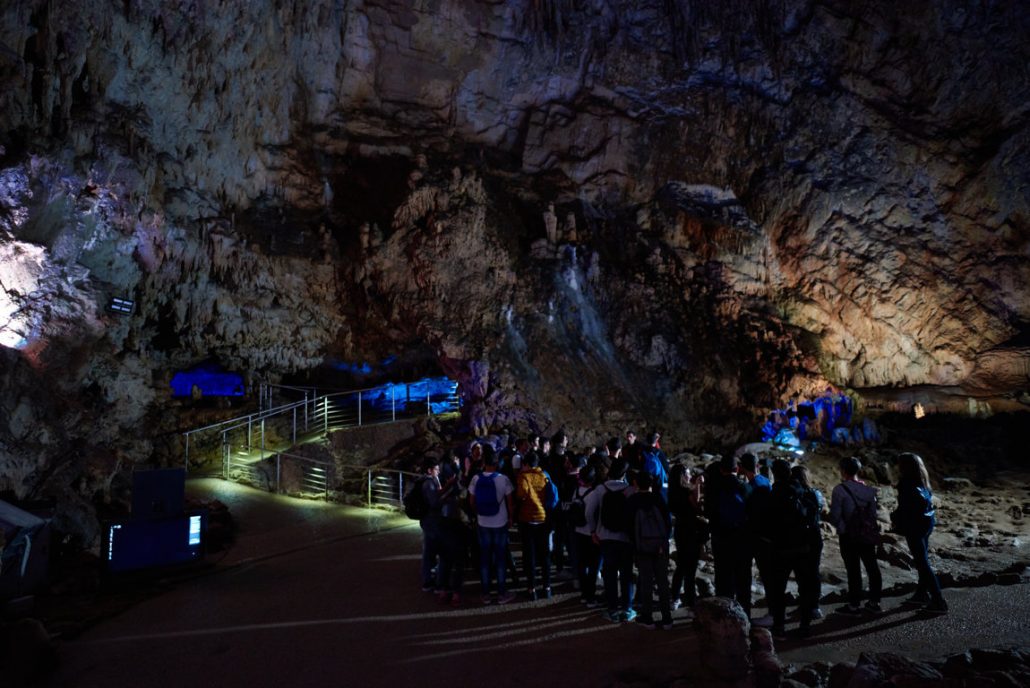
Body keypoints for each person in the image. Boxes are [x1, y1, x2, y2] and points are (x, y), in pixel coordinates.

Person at [763, 459, 821, 638]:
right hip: (803, 547)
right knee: (804, 587)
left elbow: (769, 523)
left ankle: (779, 627)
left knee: (778, 589)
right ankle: (804, 626)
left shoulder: (774, 493)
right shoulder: (805, 491)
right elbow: (813, 519)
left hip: (781, 549)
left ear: (774, 473)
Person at [892, 452, 947, 614]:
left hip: (914, 525)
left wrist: (895, 518)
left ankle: (938, 601)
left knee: (922, 563)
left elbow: (905, 507)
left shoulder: (906, 483)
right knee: (923, 559)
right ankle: (921, 594)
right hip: (927, 522)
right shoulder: (923, 480)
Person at [828, 457, 882, 615]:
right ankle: (874, 602)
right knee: (872, 567)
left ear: (843, 471)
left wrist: (839, 525)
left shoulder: (839, 490)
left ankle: (854, 605)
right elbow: (873, 514)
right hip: (866, 533)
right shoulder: (869, 490)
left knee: (853, 570)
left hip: (848, 535)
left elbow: (835, 516)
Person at [585, 458, 636, 622]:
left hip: (605, 537)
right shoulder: (630, 491)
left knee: (610, 574)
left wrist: (593, 531)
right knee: (627, 574)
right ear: (624, 473)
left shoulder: (601, 489)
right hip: (626, 538)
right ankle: (627, 609)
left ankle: (612, 609)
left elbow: (588, 511)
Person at [468, 446, 516, 605]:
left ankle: (486, 594)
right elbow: (510, 504)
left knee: (485, 558)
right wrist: (511, 518)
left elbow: (471, 502)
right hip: (500, 523)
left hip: (483, 523)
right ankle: (502, 594)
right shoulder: (504, 479)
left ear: (484, 463)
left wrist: (478, 513)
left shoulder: (476, 478)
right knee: (500, 558)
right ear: (497, 464)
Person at [628, 471, 674, 629]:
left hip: (642, 547)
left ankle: (647, 618)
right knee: (662, 582)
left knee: (646, 582)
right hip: (660, 546)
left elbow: (628, 527)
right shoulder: (659, 498)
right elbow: (668, 523)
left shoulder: (632, 501)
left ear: (636, 483)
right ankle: (667, 618)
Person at [669, 464, 707, 613]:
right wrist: (697, 485)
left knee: (681, 565)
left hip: (680, 529)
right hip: (691, 530)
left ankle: (675, 597)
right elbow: (696, 506)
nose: (690, 475)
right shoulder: (686, 491)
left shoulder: (673, 492)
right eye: (688, 473)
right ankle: (690, 601)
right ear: (682, 475)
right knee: (690, 568)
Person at [515, 451, 553, 600]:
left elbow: (521, 494)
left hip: (528, 519)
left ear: (525, 464)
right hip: (543, 519)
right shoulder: (545, 476)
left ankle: (532, 589)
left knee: (530, 556)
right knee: (545, 556)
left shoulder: (524, 477)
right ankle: (547, 587)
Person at [792, 464, 825, 619]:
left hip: (802, 536)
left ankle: (805, 606)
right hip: (816, 535)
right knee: (814, 572)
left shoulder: (797, 494)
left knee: (802, 573)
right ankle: (815, 606)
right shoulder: (816, 493)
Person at [571, 465, 602, 606]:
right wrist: (593, 532)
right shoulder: (594, 493)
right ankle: (591, 596)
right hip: (590, 534)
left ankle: (584, 593)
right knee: (594, 566)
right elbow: (589, 514)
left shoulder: (577, 491)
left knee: (582, 565)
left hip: (578, 531)